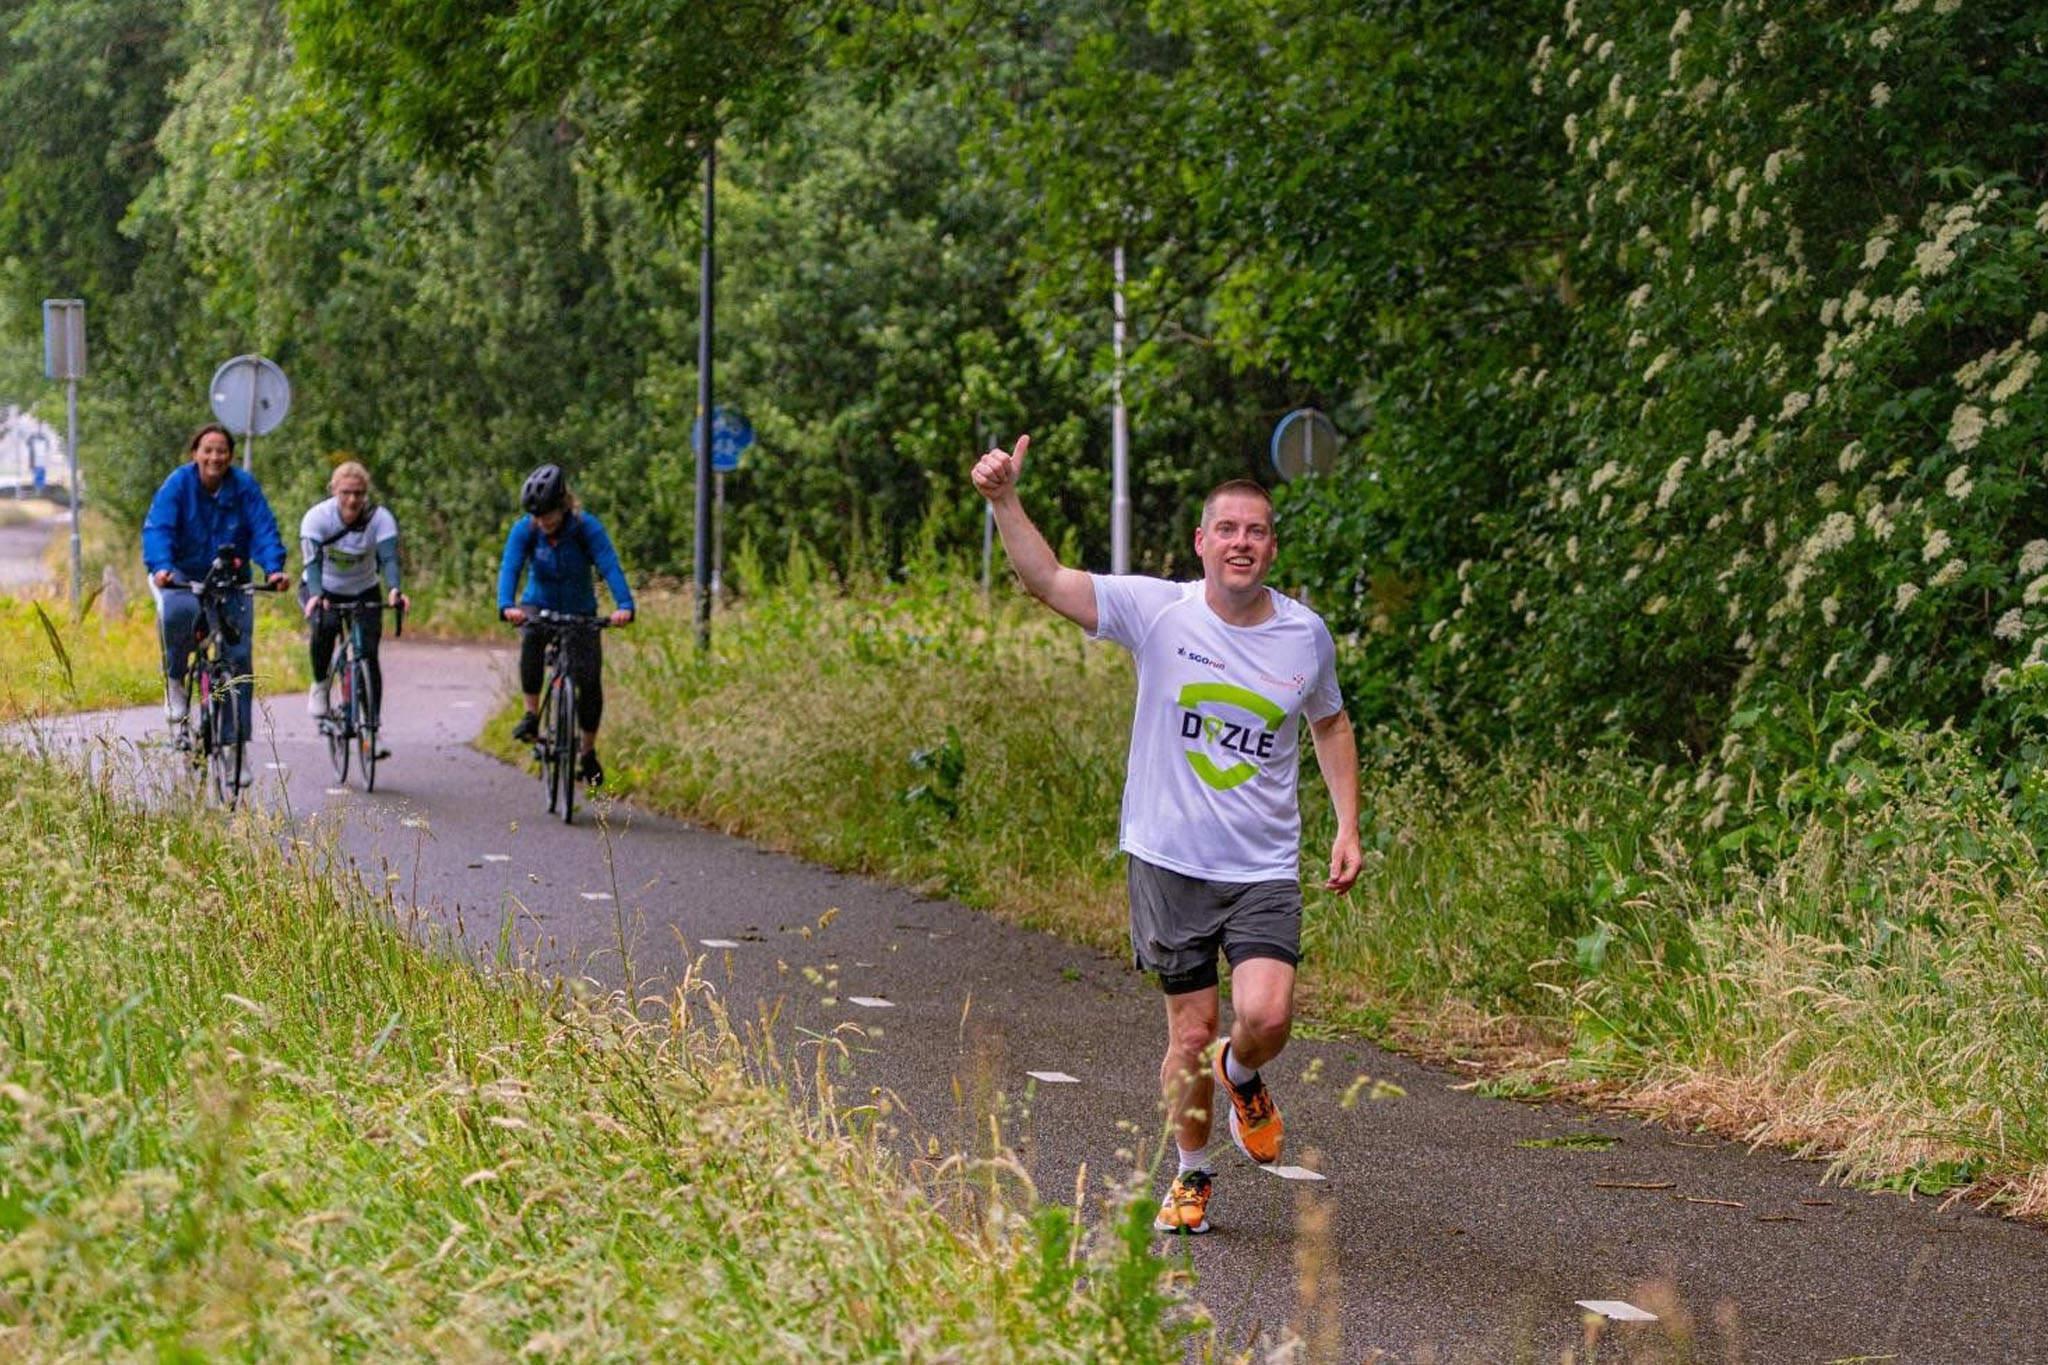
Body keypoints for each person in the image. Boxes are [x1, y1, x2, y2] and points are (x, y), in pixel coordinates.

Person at [970, 433, 1361, 1237]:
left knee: (1270, 1012)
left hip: (1261, 865)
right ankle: (1191, 1173)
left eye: (1256, 531)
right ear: (1202, 542)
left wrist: (1348, 823)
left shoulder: (1304, 636)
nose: (1242, 543)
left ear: (1271, 546)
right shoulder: (1158, 612)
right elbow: (1046, 580)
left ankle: (1242, 1069)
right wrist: (1005, 500)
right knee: (1189, 1028)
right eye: (1228, 529)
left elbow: (1329, 720)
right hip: (1168, 860)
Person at [142, 422, 289, 741]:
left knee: (237, 657)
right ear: (195, 453)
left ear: (231, 456)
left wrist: (273, 568)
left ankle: (234, 744)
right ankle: (176, 679)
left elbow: (263, 529)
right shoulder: (179, 484)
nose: (214, 457)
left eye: (221, 450)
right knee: (178, 615)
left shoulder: (244, 486)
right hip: (182, 572)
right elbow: (159, 528)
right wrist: (162, 566)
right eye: (207, 450)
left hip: (231, 578)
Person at [497, 463, 635, 785]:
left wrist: (625, 605)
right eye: (537, 516)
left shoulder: (586, 528)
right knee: (531, 638)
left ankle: (587, 752)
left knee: (589, 681)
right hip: (539, 604)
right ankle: (531, 715)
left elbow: (609, 564)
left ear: (563, 504)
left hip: (580, 611)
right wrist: (507, 605)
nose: (542, 522)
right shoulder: (527, 529)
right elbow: (510, 566)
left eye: (548, 514)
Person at [300, 460, 409, 746]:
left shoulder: (379, 518)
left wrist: (395, 589)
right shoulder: (317, 518)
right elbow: (312, 561)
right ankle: (320, 686)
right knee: (326, 628)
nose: (352, 499)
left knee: (368, 654)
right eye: (346, 492)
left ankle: (372, 728)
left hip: (364, 589)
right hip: (322, 588)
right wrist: (316, 594)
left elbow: (388, 558)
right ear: (333, 490)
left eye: (359, 493)